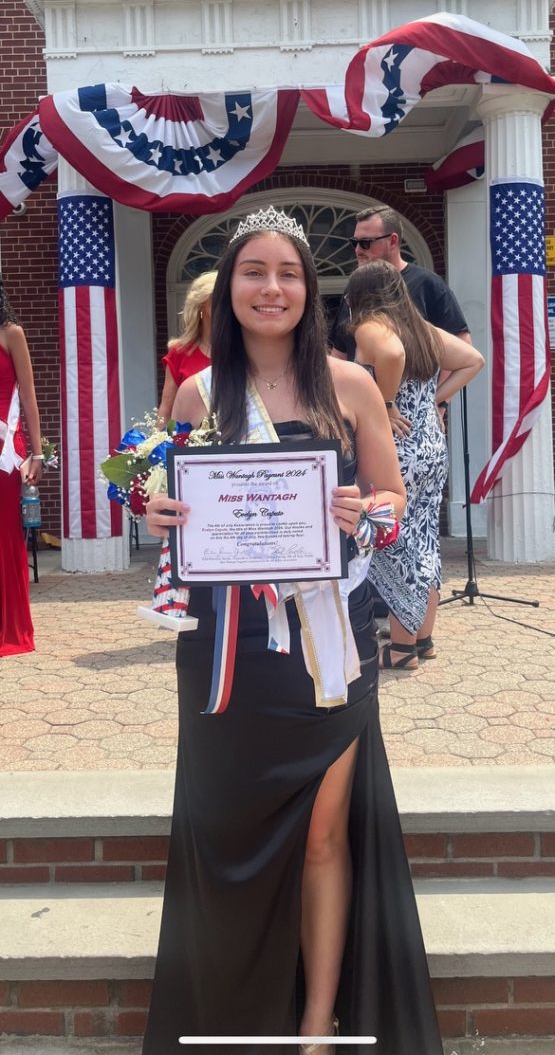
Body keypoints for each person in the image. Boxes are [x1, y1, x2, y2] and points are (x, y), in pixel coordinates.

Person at [143, 206, 444, 1055]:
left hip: (326, 645)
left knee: (321, 832)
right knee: (232, 825)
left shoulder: (348, 384)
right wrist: (156, 509)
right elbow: (169, 494)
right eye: (252, 272)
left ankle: (316, 1024)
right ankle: (243, 1008)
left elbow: (396, 500)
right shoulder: (199, 393)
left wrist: (367, 514)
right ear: (227, 289)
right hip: (228, 646)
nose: (269, 288)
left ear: (309, 292)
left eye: (286, 274)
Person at [347, 260, 484, 669]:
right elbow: (473, 360)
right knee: (424, 539)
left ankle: (403, 647)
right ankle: (422, 638)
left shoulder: (372, 326)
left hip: (393, 448)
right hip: (429, 445)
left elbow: (390, 354)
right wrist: (434, 399)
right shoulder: (421, 328)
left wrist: (386, 402)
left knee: (394, 543)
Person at [330, 204, 471, 364]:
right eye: (354, 242)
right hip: (359, 387)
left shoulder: (428, 284)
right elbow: (340, 352)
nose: (358, 250)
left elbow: (463, 345)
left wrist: (436, 390)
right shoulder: (354, 288)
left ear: (393, 241)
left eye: (366, 242)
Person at [0, 281, 43, 656]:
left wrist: (38, 453)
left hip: (3, 452)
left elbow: (28, 396)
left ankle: (10, 628)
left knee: (5, 538)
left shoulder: (11, 333)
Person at [157, 270, 216, 424]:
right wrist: (159, 446)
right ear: (202, 305)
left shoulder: (246, 350)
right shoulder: (179, 354)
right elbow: (166, 412)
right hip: (191, 444)